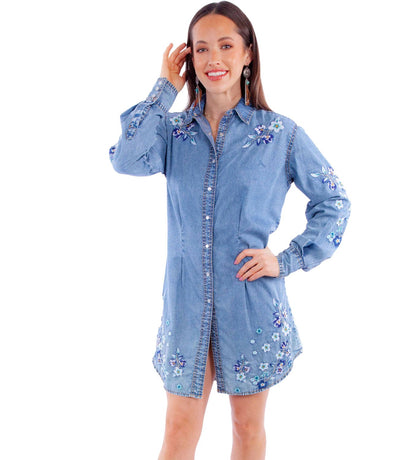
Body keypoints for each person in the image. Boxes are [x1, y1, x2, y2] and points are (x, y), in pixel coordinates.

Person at [108, 1, 351, 458]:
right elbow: (125, 159)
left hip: (250, 304)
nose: (213, 59)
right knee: (178, 430)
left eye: (225, 46)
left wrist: (287, 259)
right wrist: (165, 88)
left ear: (247, 53)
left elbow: (334, 201)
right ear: (190, 58)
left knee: (247, 428)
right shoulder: (172, 133)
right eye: (201, 49)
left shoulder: (280, 134)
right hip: (185, 307)